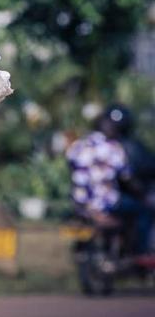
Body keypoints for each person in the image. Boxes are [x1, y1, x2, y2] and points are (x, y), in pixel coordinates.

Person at [66, 104, 154, 254]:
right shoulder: (113, 149)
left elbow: (72, 168)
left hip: (80, 203)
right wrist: (144, 195)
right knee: (144, 209)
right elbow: (127, 178)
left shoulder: (78, 146)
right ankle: (141, 252)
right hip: (105, 203)